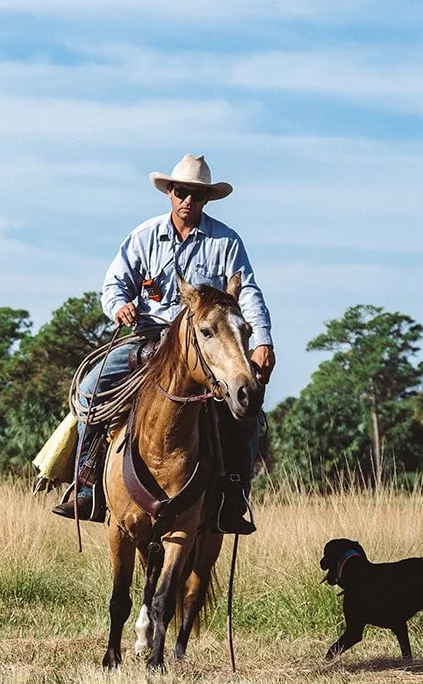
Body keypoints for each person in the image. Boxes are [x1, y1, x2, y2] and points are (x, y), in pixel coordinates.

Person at [62, 153, 274, 533]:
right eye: (181, 192)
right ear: (170, 193)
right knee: (91, 388)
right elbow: (114, 284)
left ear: (206, 198)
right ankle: (87, 483)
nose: (187, 200)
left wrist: (262, 341)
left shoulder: (226, 242)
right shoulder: (143, 237)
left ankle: (233, 494)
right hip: (149, 338)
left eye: (196, 194)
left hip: (206, 346)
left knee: (248, 408)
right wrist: (119, 305)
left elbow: (250, 294)